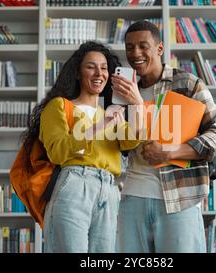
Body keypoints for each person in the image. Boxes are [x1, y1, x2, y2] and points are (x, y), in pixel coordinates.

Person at [111, 21, 216, 253]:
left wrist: (170, 152)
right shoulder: (121, 91)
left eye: (143, 46)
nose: (135, 53)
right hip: (132, 196)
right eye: (129, 47)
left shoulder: (186, 84)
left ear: (160, 49)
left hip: (179, 198)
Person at [21, 41, 141, 253]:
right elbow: (58, 151)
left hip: (109, 189)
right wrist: (100, 126)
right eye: (91, 66)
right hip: (75, 185)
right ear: (77, 73)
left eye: (104, 68)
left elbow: (132, 141)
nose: (99, 73)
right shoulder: (59, 106)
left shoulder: (110, 113)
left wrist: (137, 103)